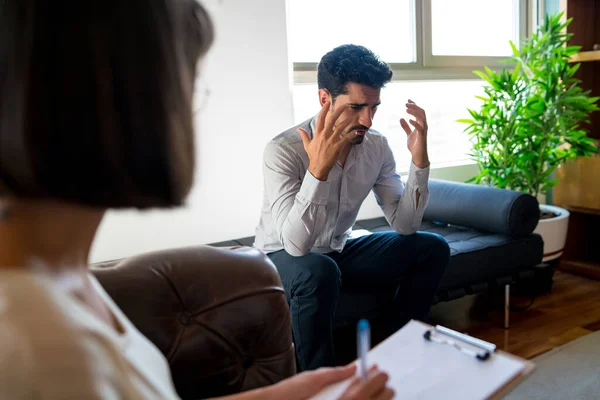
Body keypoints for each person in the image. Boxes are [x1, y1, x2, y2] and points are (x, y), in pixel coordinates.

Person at [0, 1, 393, 399]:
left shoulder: (61, 274)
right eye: (186, 83)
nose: (187, 109)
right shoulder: (31, 344)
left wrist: (289, 394)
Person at [254, 44, 451, 371]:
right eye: (356, 107)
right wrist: (317, 171)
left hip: (336, 251)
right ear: (324, 99)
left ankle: (394, 351)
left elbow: (405, 226)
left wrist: (420, 161)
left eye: (373, 107)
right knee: (319, 269)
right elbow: (296, 246)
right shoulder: (283, 150)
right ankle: (321, 381)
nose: (367, 119)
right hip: (279, 257)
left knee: (431, 248)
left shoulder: (377, 146)